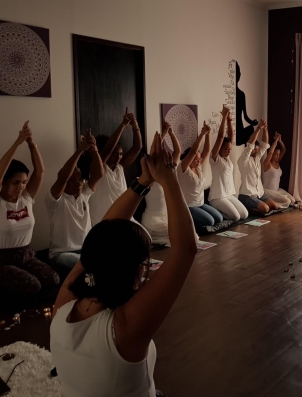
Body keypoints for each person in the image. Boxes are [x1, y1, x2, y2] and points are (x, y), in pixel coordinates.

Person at [51, 132, 197, 397]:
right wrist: (169, 178)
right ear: (136, 271)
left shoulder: (63, 305)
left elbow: (107, 229)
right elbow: (185, 250)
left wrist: (143, 182)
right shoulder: (124, 329)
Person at [0, 121, 59, 296]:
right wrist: (18, 142)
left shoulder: (26, 198)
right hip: (2, 260)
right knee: (33, 285)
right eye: (15, 182)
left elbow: (40, 172)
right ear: (3, 183)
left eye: (24, 182)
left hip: (26, 255)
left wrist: (31, 143)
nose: (21, 187)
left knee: (53, 279)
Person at [46, 130, 104, 271]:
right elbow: (63, 177)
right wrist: (79, 151)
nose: (79, 184)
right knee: (86, 263)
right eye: (73, 181)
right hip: (61, 254)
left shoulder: (84, 195)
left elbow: (98, 174)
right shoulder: (56, 199)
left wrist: (94, 150)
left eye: (80, 180)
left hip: (86, 250)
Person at [89, 107, 143, 226]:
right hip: (102, 220)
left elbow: (137, 148)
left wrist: (135, 126)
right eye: (114, 154)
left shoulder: (120, 167)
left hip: (122, 217)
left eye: (120, 154)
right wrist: (123, 125)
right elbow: (107, 149)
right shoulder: (97, 167)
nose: (118, 157)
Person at [141, 120, 182, 243]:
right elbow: (153, 153)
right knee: (178, 231)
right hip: (153, 218)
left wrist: (171, 132)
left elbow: (178, 151)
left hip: (167, 215)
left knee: (184, 227)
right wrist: (163, 133)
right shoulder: (150, 174)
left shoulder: (170, 171)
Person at [178, 120, 223, 231]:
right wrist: (202, 134)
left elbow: (207, 150)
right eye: (196, 159)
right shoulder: (183, 168)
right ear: (189, 159)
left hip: (200, 203)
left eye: (199, 159)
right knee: (210, 221)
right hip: (188, 206)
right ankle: (187, 222)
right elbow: (193, 152)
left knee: (219, 218)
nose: (199, 161)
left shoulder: (198, 167)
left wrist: (208, 134)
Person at [208, 105, 249, 221]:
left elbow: (231, 136)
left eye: (230, 149)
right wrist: (224, 118)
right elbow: (220, 137)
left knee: (244, 215)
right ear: (220, 148)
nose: (229, 151)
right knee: (236, 217)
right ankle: (218, 213)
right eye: (226, 149)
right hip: (217, 197)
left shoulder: (227, 159)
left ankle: (223, 214)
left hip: (229, 194)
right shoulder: (215, 158)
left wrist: (229, 120)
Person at [238, 118, 279, 215]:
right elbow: (250, 145)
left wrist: (265, 129)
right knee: (265, 209)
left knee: (275, 206)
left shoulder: (257, 158)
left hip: (259, 193)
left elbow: (264, 144)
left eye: (257, 149)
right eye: (254, 149)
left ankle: (257, 206)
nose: (256, 151)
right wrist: (258, 128)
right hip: (247, 195)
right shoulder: (243, 159)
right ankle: (247, 208)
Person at [262, 132, 295, 208]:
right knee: (287, 201)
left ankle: (272, 203)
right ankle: (271, 204)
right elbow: (270, 152)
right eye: (276, 154)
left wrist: (280, 140)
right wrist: (275, 141)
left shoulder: (277, 163)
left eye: (279, 154)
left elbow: (284, 149)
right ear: (272, 154)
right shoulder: (267, 164)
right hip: (268, 191)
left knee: (292, 200)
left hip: (277, 190)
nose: (278, 156)